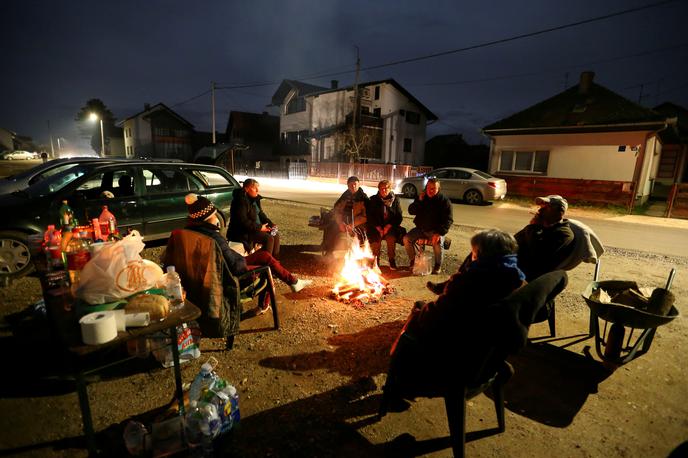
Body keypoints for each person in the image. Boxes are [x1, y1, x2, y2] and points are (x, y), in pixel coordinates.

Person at [382, 229, 526, 407]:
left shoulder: (469, 281)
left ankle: (399, 389)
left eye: (473, 252)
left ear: (481, 254)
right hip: (487, 351)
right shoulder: (517, 279)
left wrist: (419, 314)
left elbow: (434, 318)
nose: (471, 256)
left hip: (460, 352)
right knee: (420, 311)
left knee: (408, 333)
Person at [185, 194, 311, 304]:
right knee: (268, 268)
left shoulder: (193, 231)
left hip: (226, 264)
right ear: (207, 218)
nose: (217, 218)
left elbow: (226, 255)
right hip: (232, 273)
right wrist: (245, 260)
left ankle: (294, 282)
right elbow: (235, 265)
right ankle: (264, 304)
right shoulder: (213, 237)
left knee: (265, 256)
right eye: (214, 215)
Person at [514, 195, 574, 281]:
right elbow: (514, 240)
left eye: (546, 208)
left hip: (527, 276)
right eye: (541, 207)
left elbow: (536, 255)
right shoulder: (542, 227)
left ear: (559, 212)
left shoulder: (564, 234)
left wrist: (534, 227)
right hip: (513, 264)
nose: (540, 210)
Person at [403, 178, 453, 274]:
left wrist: (439, 233)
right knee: (406, 239)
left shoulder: (444, 201)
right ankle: (413, 261)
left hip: (436, 230)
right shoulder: (422, 197)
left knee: (437, 244)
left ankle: (438, 265)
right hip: (421, 229)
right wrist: (419, 201)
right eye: (428, 188)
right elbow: (411, 211)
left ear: (438, 189)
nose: (430, 190)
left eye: (433, 188)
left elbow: (448, 220)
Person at [228, 178, 280, 258]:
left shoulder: (254, 200)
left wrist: (271, 224)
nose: (257, 190)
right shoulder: (240, 201)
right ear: (246, 189)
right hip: (244, 232)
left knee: (275, 233)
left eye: (258, 188)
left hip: (256, 228)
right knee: (269, 239)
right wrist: (259, 227)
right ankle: (264, 263)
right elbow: (243, 222)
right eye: (255, 188)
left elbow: (261, 214)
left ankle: (273, 259)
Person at [321, 176, 369, 257]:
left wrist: (352, 225)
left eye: (355, 184)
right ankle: (329, 251)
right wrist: (340, 223)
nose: (353, 186)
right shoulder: (345, 196)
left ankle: (360, 255)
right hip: (344, 221)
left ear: (359, 184)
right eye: (351, 184)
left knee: (361, 233)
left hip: (357, 222)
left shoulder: (363, 198)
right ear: (347, 185)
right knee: (331, 229)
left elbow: (365, 216)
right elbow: (336, 209)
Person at [367, 180, 404, 269]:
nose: (383, 190)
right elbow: (370, 216)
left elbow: (398, 217)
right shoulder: (373, 199)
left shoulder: (395, 200)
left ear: (390, 189)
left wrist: (388, 226)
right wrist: (378, 228)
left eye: (386, 188)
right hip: (377, 226)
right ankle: (376, 260)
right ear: (379, 189)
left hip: (390, 226)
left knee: (390, 237)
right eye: (381, 189)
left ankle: (391, 260)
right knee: (376, 237)